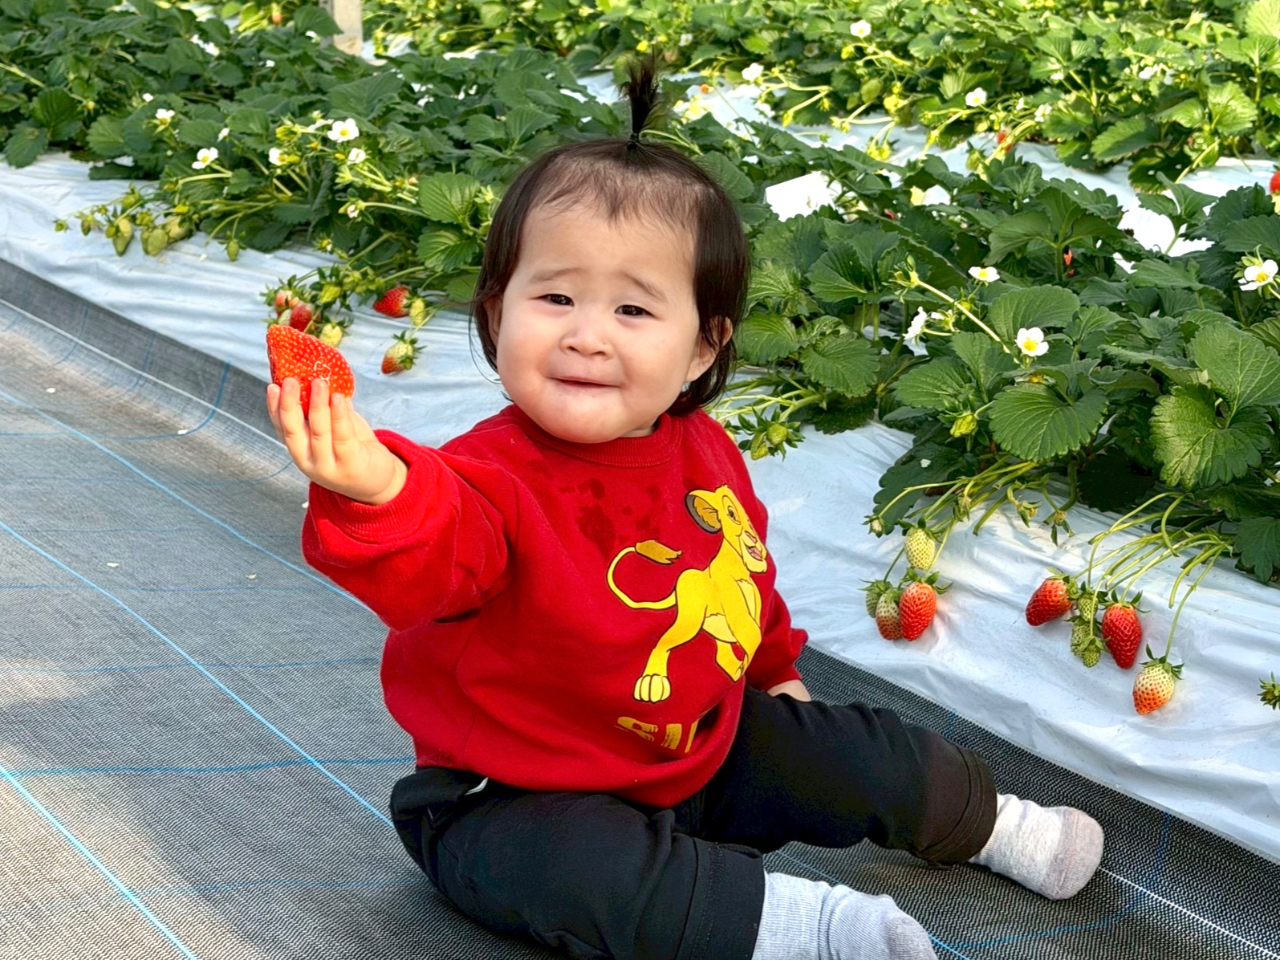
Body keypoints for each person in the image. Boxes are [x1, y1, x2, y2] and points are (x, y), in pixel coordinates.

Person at [265, 53, 1104, 960]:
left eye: (633, 310)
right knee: (586, 877)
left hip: (693, 749)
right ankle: (802, 928)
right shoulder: (483, 476)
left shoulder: (704, 453)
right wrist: (380, 488)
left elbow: (745, 580)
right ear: (498, 313)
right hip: (510, 800)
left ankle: (985, 821)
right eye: (555, 297)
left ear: (704, 346)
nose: (586, 334)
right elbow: (434, 548)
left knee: (859, 750)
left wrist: (776, 676)